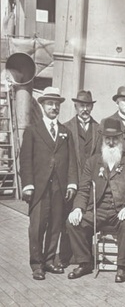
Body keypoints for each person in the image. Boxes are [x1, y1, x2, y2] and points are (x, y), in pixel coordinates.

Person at [67, 118, 125, 283]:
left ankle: (122, 267)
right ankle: (84, 262)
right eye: (108, 138)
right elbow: (84, 189)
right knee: (72, 222)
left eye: (115, 138)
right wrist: (78, 208)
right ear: (103, 139)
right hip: (97, 210)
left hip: (119, 210)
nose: (112, 142)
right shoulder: (93, 162)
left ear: (121, 139)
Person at [20, 87, 78, 280]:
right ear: (43, 105)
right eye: (50, 103)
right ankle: (36, 264)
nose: (54, 107)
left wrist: (71, 184)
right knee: (37, 227)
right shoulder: (32, 131)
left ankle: (50, 261)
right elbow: (25, 160)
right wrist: (27, 184)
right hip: (39, 188)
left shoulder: (65, 132)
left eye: (56, 104)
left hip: (59, 188)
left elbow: (71, 160)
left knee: (55, 226)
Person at [60, 89, 100, 268]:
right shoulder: (66, 127)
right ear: (76, 106)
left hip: (91, 183)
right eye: (81, 105)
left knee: (86, 219)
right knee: (67, 218)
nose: (85, 109)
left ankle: (85, 257)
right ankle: (64, 256)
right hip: (72, 182)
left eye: (88, 105)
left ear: (92, 107)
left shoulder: (98, 129)